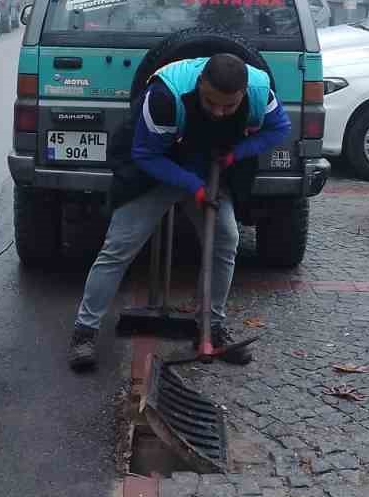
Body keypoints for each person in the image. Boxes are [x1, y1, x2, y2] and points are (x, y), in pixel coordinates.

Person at [68, 53, 292, 371]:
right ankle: (84, 332)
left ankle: (210, 329)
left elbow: (278, 128)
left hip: (206, 169)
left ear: (243, 93)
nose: (218, 112)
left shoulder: (259, 91)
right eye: (211, 102)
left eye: (228, 107)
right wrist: (191, 185)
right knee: (118, 248)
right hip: (158, 169)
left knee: (225, 241)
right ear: (201, 82)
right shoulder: (164, 96)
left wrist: (235, 155)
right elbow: (146, 155)